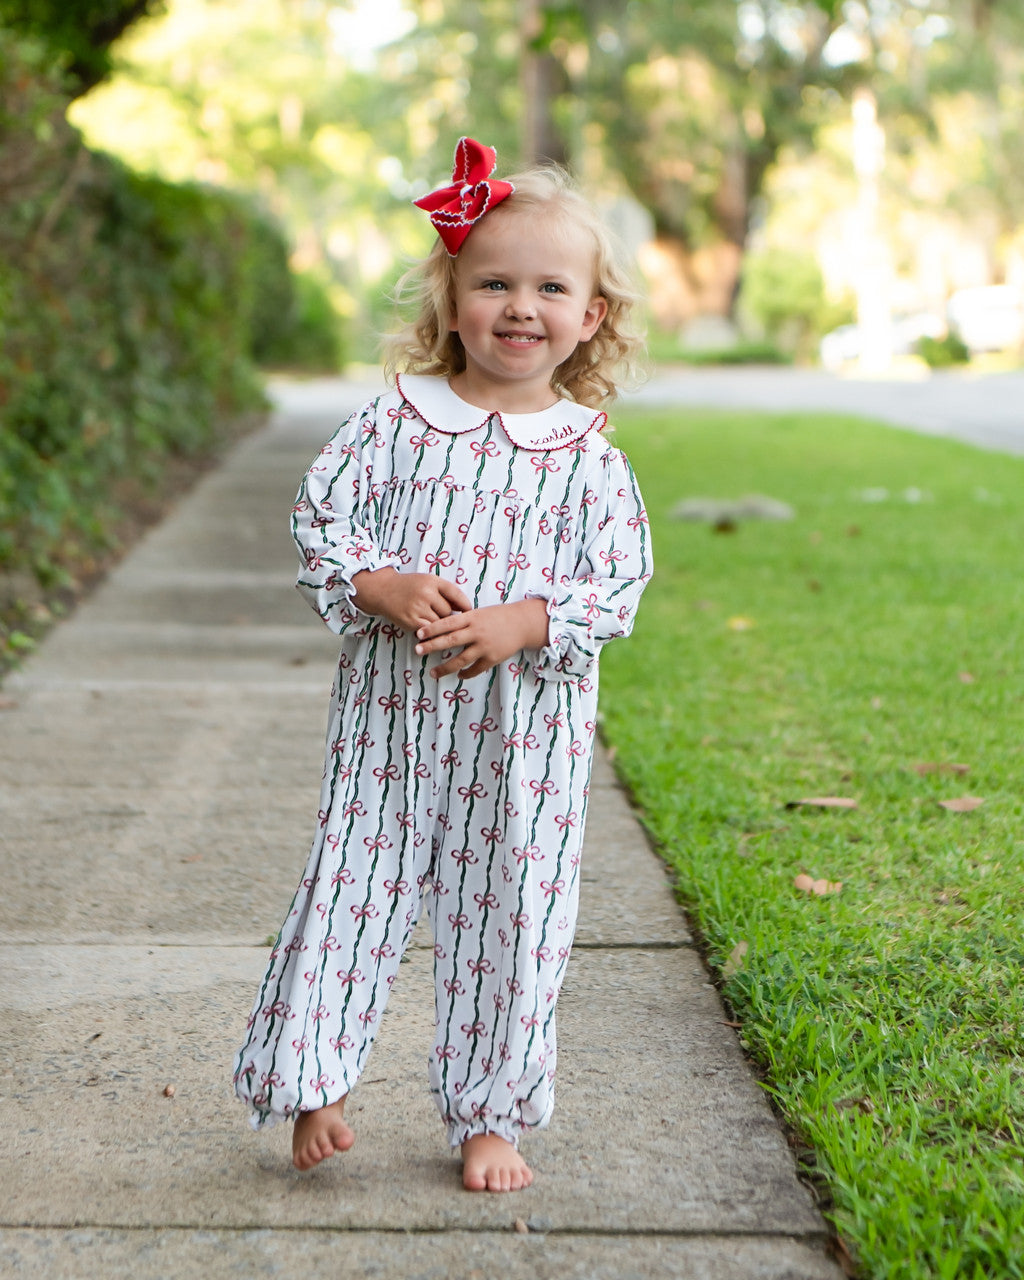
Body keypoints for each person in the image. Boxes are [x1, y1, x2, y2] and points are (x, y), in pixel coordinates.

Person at [233, 137, 652, 1194]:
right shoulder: (398, 423)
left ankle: (490, 1110)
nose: (521, 306)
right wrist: (375, 582)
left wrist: (528, 619)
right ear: (451, 297)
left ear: (590, 315)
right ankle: (313, 1081)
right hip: (390, 722)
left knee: (513, 912)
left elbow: (619, 583)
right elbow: (321, 519)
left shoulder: (585, 455)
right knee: (351, 887)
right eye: (494, 282)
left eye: (550, 288)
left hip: (525, 746)